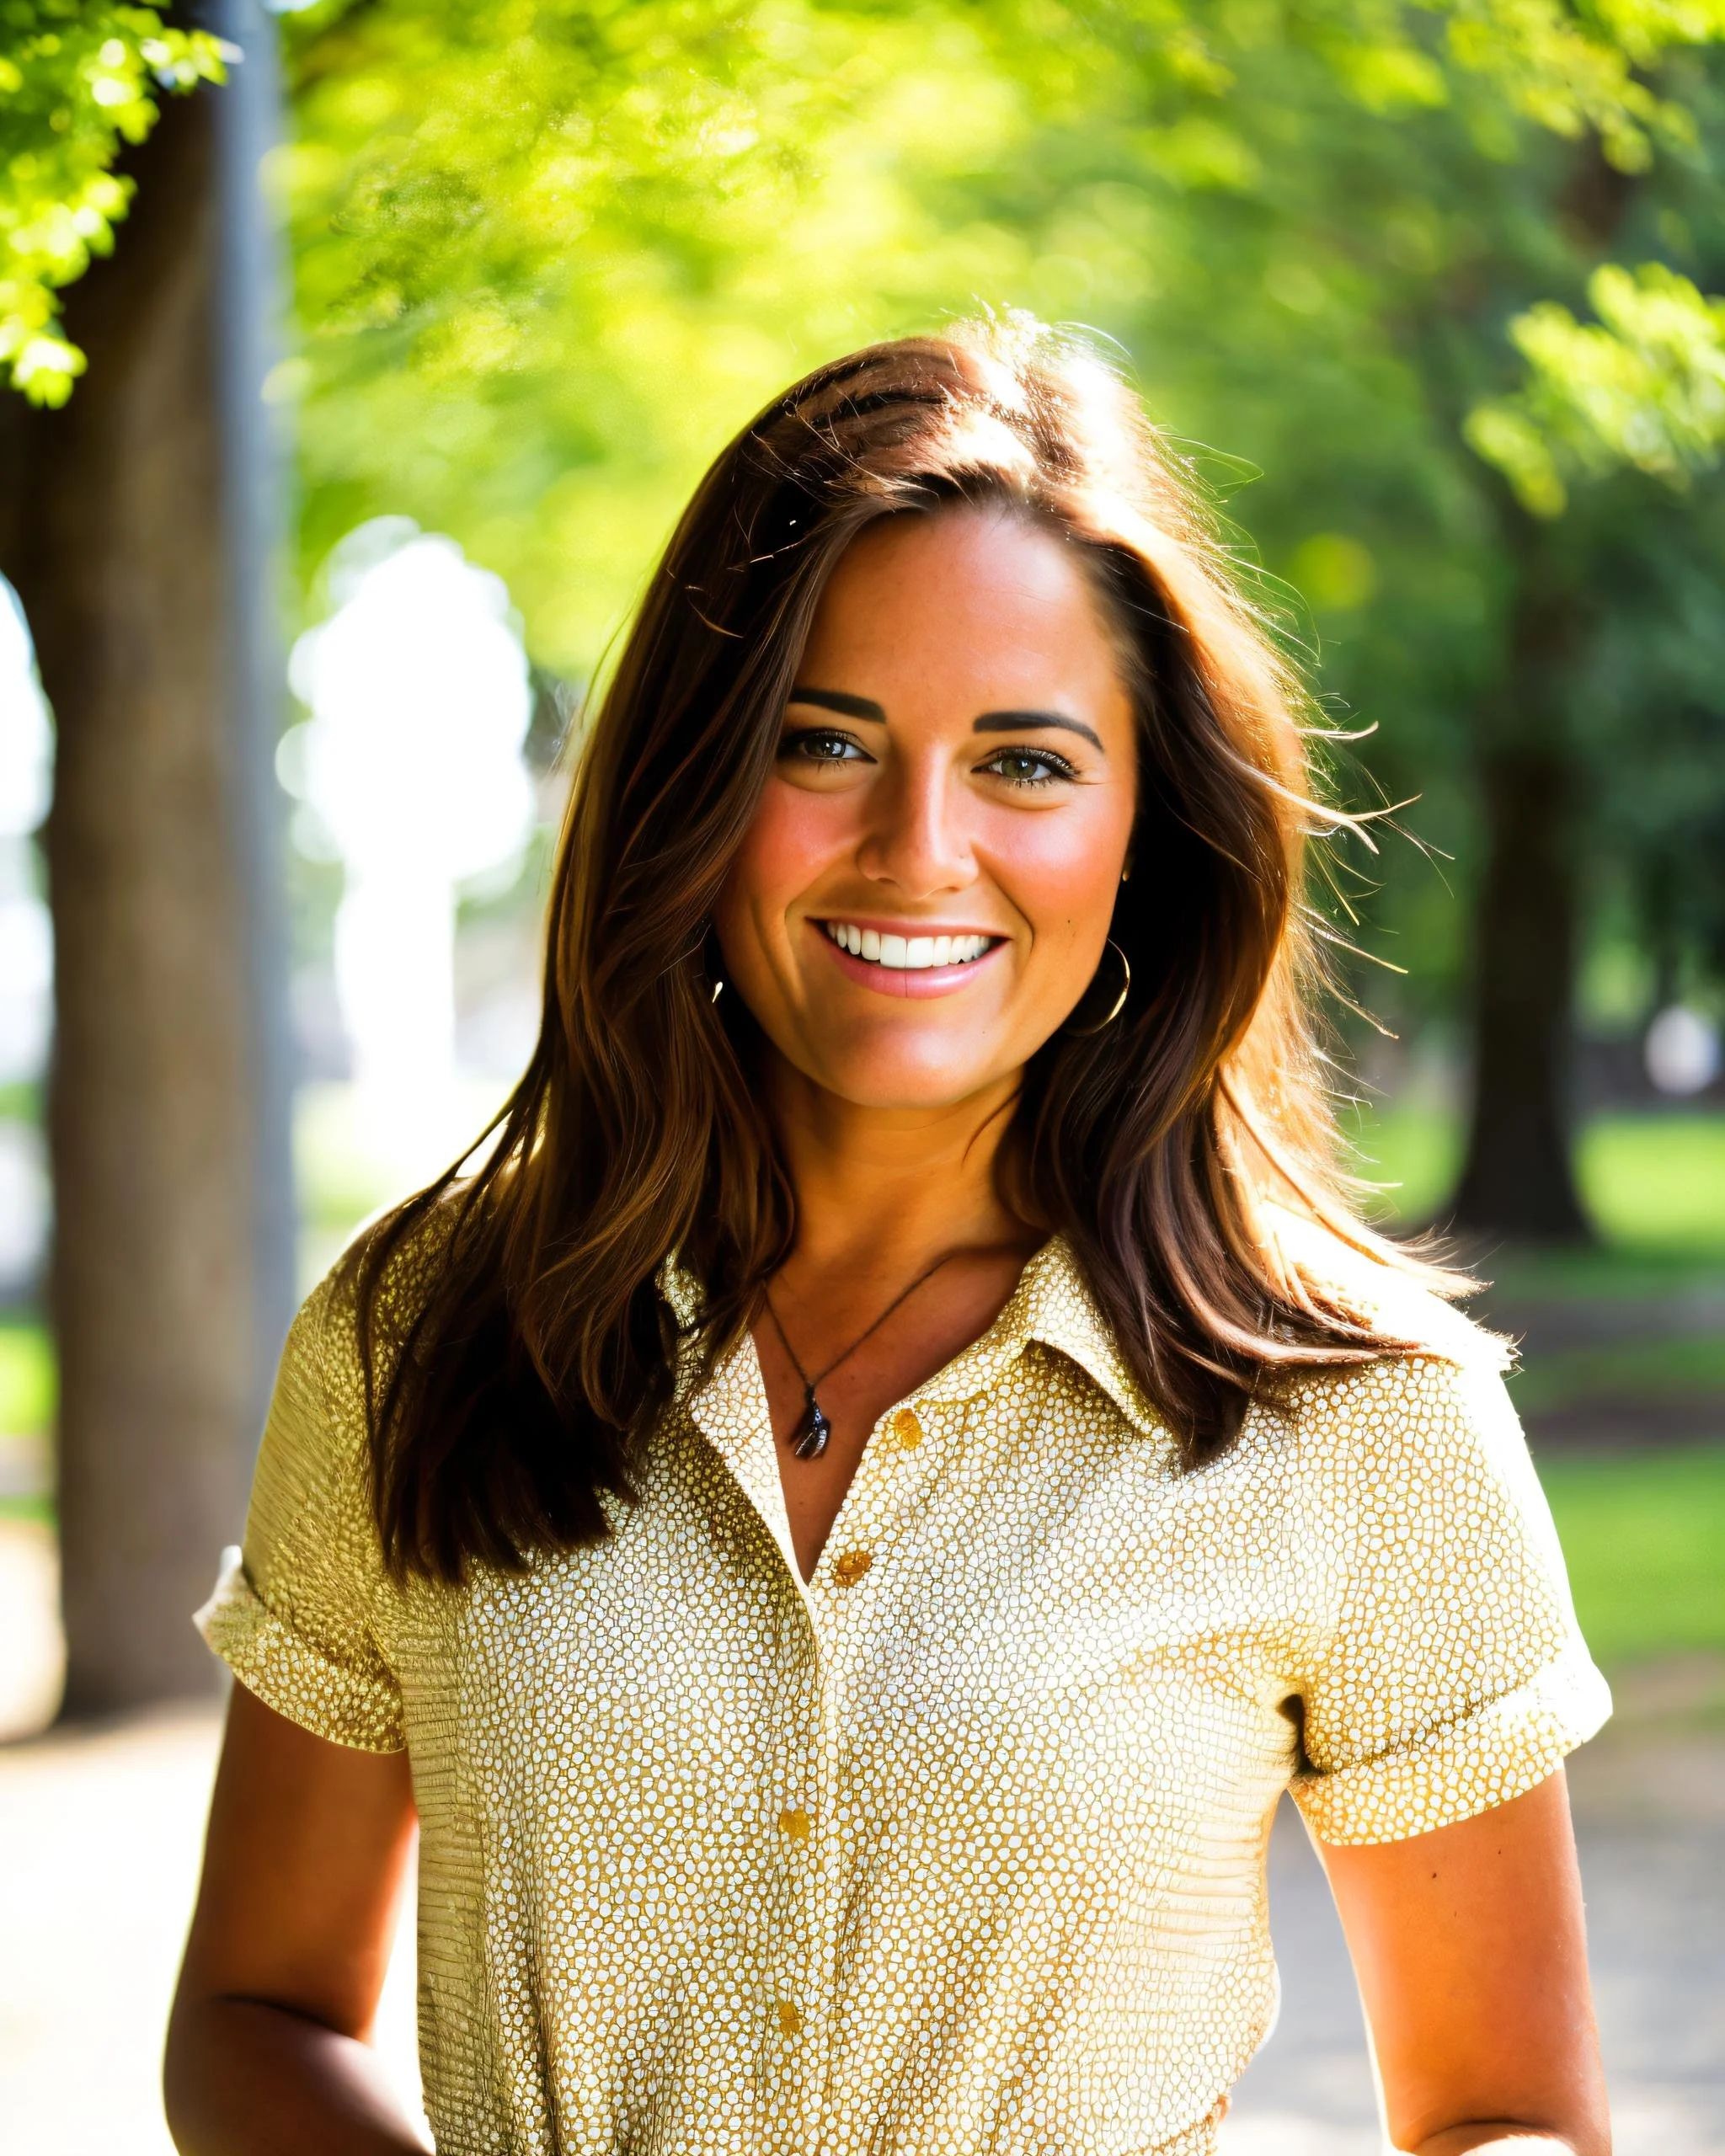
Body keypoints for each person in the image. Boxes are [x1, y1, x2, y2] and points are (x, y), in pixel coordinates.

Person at [165, 320, 1612, 2156]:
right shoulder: (420, 1328)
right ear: (695, 784)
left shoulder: (1356, 1410)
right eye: (823, 741)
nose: (916, 848)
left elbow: (1511, 2114)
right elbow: (251, 2012)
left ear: (1143, 828)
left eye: (1024, 763)